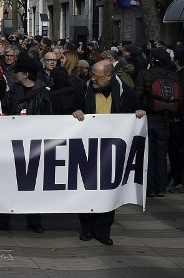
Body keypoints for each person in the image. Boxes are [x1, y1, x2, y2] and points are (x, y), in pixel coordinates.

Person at [72, 59, 146, 245]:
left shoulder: (124, 93)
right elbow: (71, 109)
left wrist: (138, 114)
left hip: (113, 150)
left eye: (97, 76)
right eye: (92, 75)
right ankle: (87, 229)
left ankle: (103, 231)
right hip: (88, 148)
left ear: (109, 76)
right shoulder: (83, 89)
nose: (93, 79)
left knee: (109, 190)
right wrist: (75, 112)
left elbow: (135, 109)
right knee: (87, 189)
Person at [0, 56, 52, 233]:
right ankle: (4, 218)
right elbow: (3, 110)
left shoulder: (44, 94)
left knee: (33, 184)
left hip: (34, 146)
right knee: (8, 183)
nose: (14, 74)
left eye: (17, 72)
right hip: (12, 145)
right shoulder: (12, 92)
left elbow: (50, 120)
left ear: (26, 74)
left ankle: (34, 220)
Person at [134, 47, 180, 197]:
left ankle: (150, 188)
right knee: (161, 153)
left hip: (147, 118)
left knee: (148, 153)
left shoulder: (145, 74)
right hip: (165, 119)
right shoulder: (174, 76)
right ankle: (161, 187)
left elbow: (137, 95)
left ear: (152, 59)